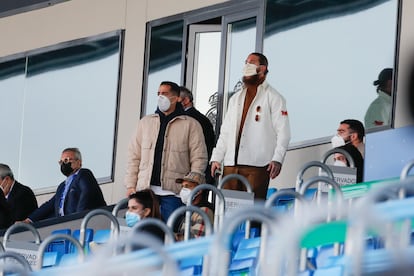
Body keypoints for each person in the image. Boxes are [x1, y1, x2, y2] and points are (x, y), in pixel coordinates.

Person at [210, 52, 291, 200]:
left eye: (251, 63)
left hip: (257, 165)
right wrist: (217, 157)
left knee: (253, 213)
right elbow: (225, 132)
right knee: (229, 212)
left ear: (262, 68)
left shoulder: (274, 97)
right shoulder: (235, 98)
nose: (246, 66)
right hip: (230, 165)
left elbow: (283, 132)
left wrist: (277, 158)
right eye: (245, 62)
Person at [124, 81, 208, 222]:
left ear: (177, 98)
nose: (160, 97)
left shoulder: (191, 124)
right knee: (145, 232)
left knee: (170, 232)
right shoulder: (145, 123)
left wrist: (191, 186)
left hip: (174, 192)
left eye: (165, 94)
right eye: (158, 94)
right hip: (146, 190)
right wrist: (131, 184)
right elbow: (134, 156)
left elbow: (199, 157)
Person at [23, 147, 106, 223]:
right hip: (65, 226)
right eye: (61, 162)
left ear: (79, 163)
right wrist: (29, 220)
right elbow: (49, 205)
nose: (63, 164)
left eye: (66, 160)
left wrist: (78, 218)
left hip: (85, 222)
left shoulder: (83, 174)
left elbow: (87, 193)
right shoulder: (62, 186)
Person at [179, 86, 216, 184]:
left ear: (186, 100)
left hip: (194, 174)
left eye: (176, 99)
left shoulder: (192, 120)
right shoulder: (199, 118)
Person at [175, 172, 214, 241]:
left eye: (187, 186)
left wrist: (174, 237)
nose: (183, 190)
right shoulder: (189, 210)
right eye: (182, 186)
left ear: (199, 190)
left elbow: (196, 241)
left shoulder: (204, 211)